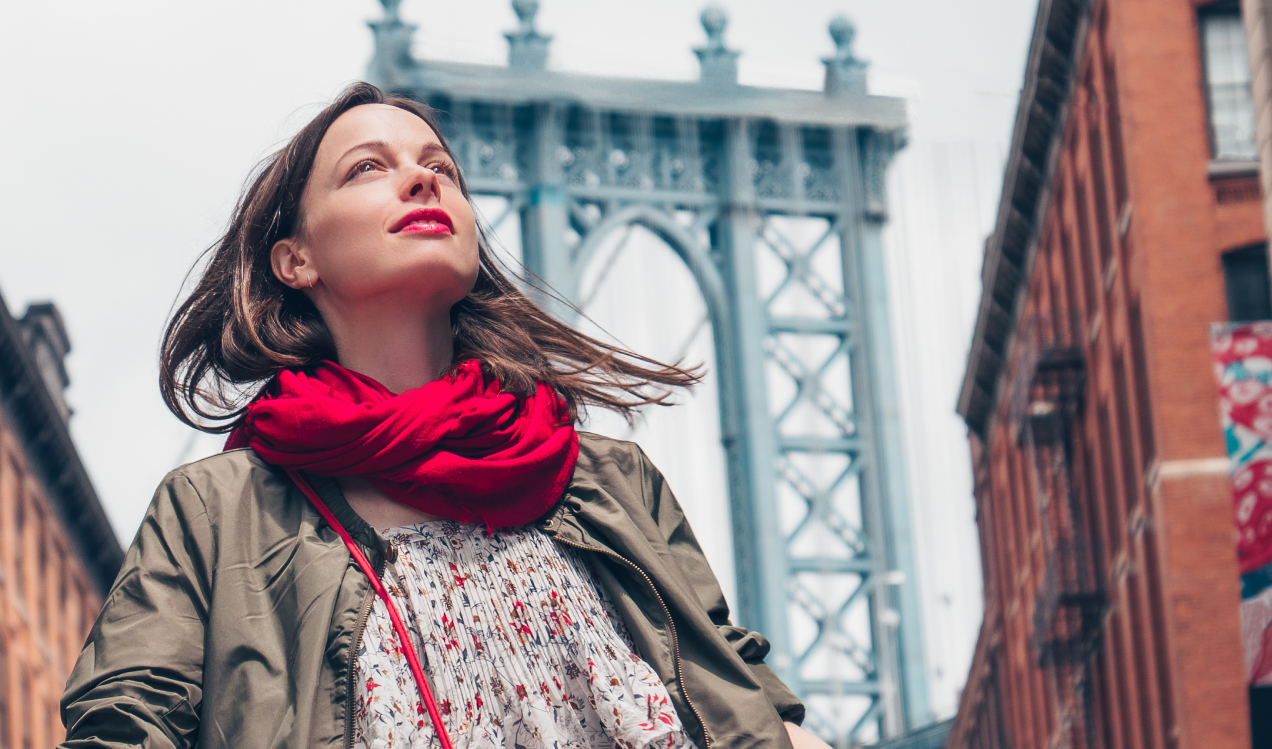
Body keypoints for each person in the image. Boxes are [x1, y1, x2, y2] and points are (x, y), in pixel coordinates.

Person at [60, 82, 831, 749]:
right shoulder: (215, 513)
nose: (422, 183)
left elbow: (743, 693)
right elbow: (125, 723)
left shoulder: (612, 479)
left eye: (441, 170)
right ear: (296, 260)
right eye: (369, 168)